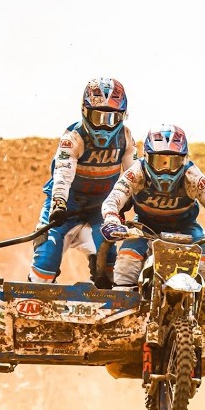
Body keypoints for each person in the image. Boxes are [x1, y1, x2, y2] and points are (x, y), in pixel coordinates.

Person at [98, 124, 205, 364]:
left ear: (183, 160)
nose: (165, 169)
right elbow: (113, 199)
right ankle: (122, 327)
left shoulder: (193, 176)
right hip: (146, 228)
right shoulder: (136, 172)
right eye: (160, 161)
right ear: (147, 157)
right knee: (126, 265)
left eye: (172, 162)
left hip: (187, 230)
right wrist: (111, 221)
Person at [28, 76, 137, 287]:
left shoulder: (125, 137)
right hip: (65, 210)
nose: (105, 127)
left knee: (110, 271)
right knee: (45, 263)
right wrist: (58, 203)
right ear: (85, 112)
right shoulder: (73, 137)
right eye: (98, 117)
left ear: (123, 116)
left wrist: (134, 197)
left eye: (112, 119)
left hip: (100, 211)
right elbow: (62, 175)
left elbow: (134, 174)